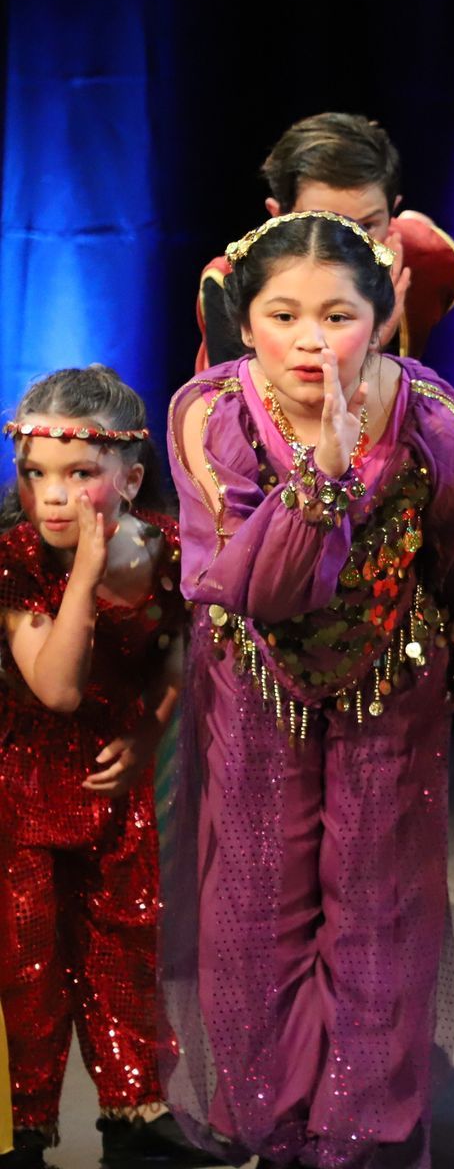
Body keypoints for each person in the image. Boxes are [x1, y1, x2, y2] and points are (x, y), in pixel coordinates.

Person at [161, 210, 454, 1168]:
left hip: (387, 682)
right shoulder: (211, 412)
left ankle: (357, 1137)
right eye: (283, 315)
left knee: (376, 909)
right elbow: (258, 585)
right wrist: (324, 468)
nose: (312, 341)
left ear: (384, 314)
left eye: (339, 315)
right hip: (255, 683)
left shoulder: (432, 416)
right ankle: (270, 1128)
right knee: (255, 906)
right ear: (244, 320)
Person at [0, 368, 214, 1169]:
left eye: (79, 474)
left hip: (110, 789)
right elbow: (54, 688)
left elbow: (175, 653)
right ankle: (23, 1127)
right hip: (19, 792)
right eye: (35, 475)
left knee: (125, 945)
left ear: (128, 475)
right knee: (27, 960)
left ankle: (135, 1110)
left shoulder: (164, 548)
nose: (53, 496)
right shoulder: (15, 560)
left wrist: (148, 735)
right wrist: (85, 578)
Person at [192, 113, 454, 370]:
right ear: (277, 217)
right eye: (323, 223)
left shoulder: (430, 260)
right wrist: (369, 346)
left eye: (367, 225)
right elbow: (244, 415)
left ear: (391, 212)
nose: (348, 247)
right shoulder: (232, 283)